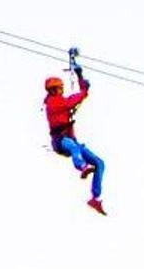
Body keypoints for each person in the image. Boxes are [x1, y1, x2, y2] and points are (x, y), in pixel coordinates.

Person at [43, 53, 107, 215]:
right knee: (73, 147)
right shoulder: (53, 102)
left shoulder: (60, 101)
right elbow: (76, 98)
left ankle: (96, 198)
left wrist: (80, 78)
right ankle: (82, 166)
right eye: (59, 88)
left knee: (99, 163)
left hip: (71, 140)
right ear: (53, 90)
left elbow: (78, 97)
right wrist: (82, 84)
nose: (61, 90)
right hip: (60, 140)